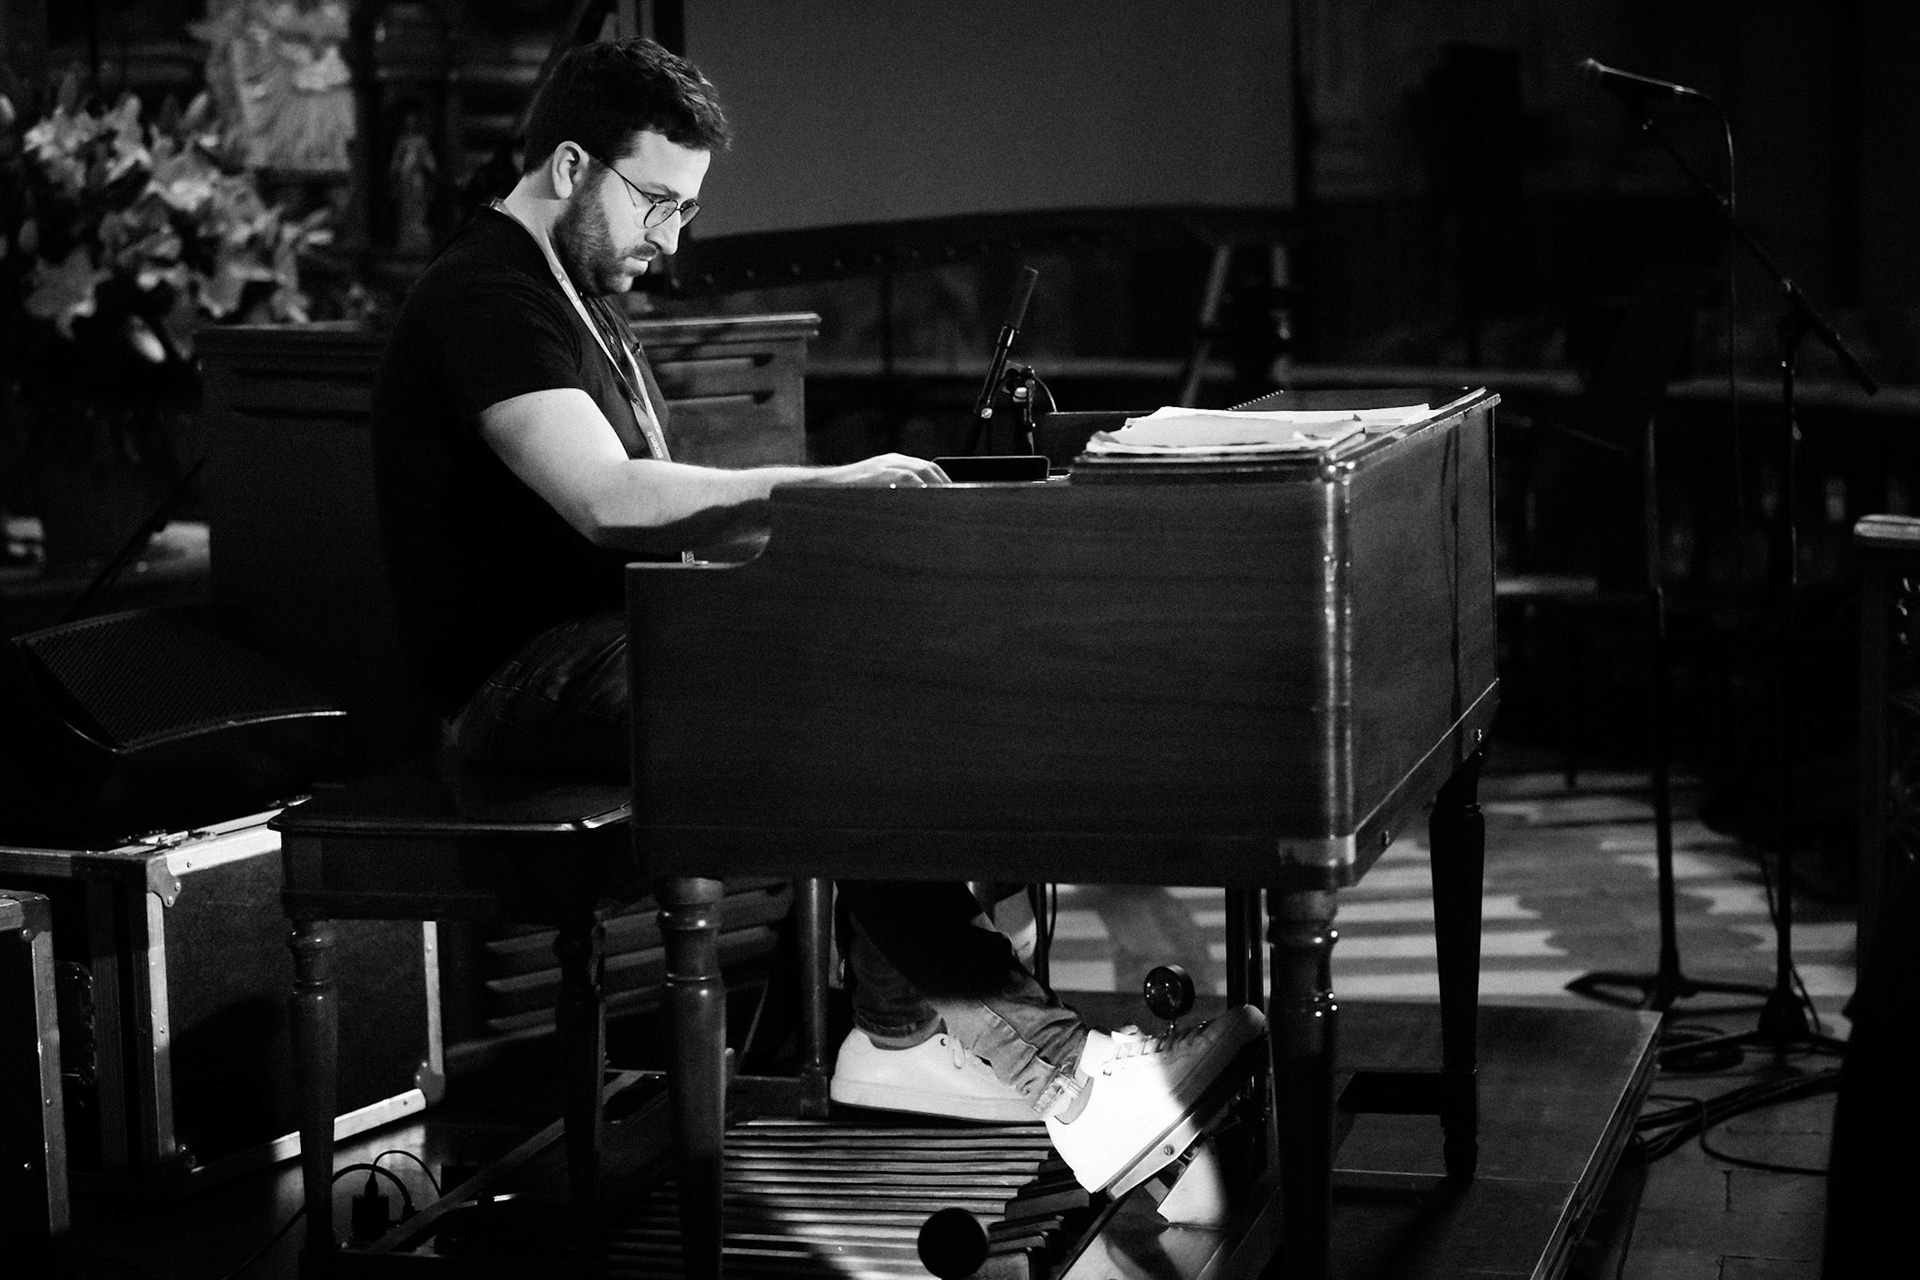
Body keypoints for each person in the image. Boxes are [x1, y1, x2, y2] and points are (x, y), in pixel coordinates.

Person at [369, 36, 1263, 1197]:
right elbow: (607, 501)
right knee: (831, 683)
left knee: (900, 647)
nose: (670, 239)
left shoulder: (569, 292)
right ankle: (971, 1048)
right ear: (571, 164)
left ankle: (923, 1030)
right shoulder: (487, 295)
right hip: (514, 685)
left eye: (686, 212)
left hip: (606, 645)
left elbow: (663, 524)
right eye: (656, 203)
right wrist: (825, 490)